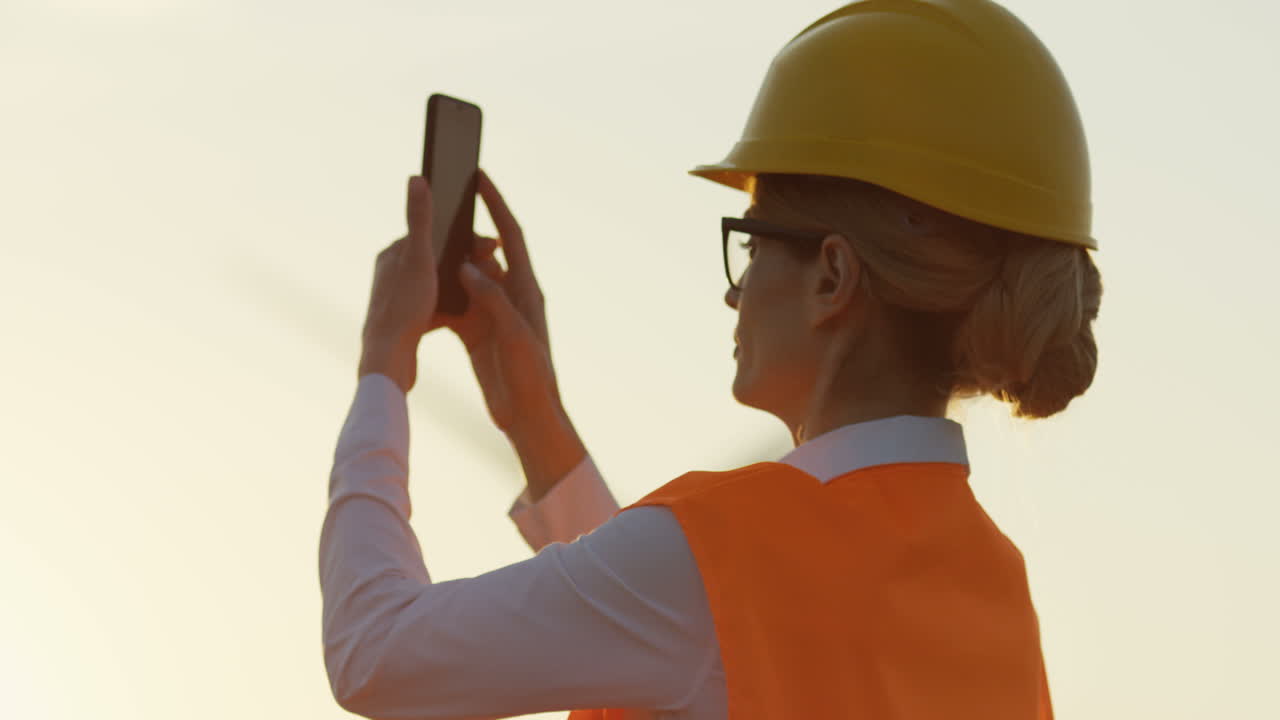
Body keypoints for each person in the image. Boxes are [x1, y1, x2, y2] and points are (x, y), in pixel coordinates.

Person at [318, 0, 1102, 718]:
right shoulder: (995, 594)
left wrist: (383, 367)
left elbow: (375, 653)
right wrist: (534, 420)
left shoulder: (718, 552)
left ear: (833, 276)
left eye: (752, 241)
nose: (736, 293)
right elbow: (702, 631)